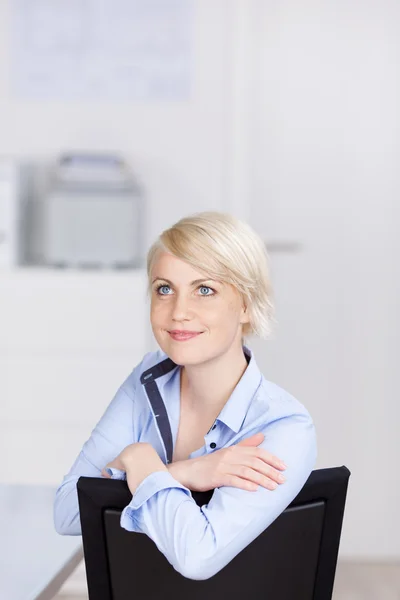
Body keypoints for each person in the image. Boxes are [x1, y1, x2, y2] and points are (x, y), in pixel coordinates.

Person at [53, 210, 317, 580]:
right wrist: (185, 472)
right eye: (164, 289)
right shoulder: (146, 381)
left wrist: (141, 462)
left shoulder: (283, 427)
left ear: (246, 304)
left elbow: (196, 558)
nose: (178, 312)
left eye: (204, 290)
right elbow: (67, 511)